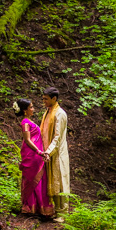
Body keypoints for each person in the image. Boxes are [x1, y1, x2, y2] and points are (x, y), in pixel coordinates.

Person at [13, 98, 54, 217]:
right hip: (32, 155)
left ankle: (38, 208)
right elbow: (27, 139)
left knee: (39, 179)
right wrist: (39, 152)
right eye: (31, 107)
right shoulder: (25, 122)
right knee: (32, 179)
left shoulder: (29, 121)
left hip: (36, 154)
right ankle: (30, 207)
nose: (33, 109)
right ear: (25, 110)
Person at [39, 86, 70, 222]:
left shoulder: (60, 114)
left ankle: (62, 213)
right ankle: (53, 210)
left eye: (46, 99)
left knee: (60, 182)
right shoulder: (47, 112)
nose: (43, 101)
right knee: (52, 182)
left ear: (54, 99)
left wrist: (48, 152)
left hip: (57, 153)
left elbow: (57, 137)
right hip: (47, 153)